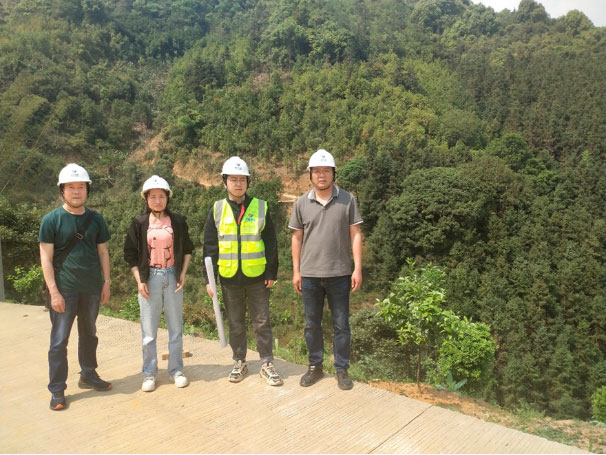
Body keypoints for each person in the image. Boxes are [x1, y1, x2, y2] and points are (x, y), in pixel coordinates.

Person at [203, 157, 282, 386]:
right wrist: (209, 280)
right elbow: (209, 247)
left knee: (262, 321)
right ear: (225, 182)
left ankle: (266, 363)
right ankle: (239, 361)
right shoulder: (217, 209)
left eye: (242, 179)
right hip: (229, 278)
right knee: (235, 322)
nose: (238, 184)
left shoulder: (260, 207)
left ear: (248, 182)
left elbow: (271, 242)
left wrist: (271, 272)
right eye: (233, 179)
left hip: (257, 276)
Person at [39, 163, 112, 411]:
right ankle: (57, 389)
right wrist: (54, 292)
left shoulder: (96, 219)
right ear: (62, 191)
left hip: (91, 288)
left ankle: (88, 374)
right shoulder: (51, 220)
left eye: (81, 186)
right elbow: (46, 258)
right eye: (71, 187)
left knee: (89, 334)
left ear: (87, 190)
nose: (76, 191)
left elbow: (103, 253)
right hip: (64, 289)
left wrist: (106, 283)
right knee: (59, 340)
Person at [289, 149, 363, 390]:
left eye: (326, 171)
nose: (321, 175)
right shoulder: (302, 203)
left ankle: (341, 369)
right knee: (312, 324)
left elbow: (355, 234)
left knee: (341, 324)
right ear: (310, 174)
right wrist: (296, 271)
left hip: (339, 273)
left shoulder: (348, 200)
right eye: (317, 171)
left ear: (333, 173)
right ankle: (315, 366)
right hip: (310, 274)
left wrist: (357, 268)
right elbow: (296, 238)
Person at [124, 176, 193, 392]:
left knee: (175, 327)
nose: (157, 200)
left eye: (161, 196)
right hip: (149, 277)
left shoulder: (178, 222)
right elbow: (130, 254)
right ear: (146, 199)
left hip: (172, 275)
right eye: (152, 196)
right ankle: (149, 373)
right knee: (148, 331)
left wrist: (182, 273)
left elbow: (188, 249)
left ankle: (176, 370)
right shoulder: (139, 224)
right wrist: (139, 280)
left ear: (167, 198)